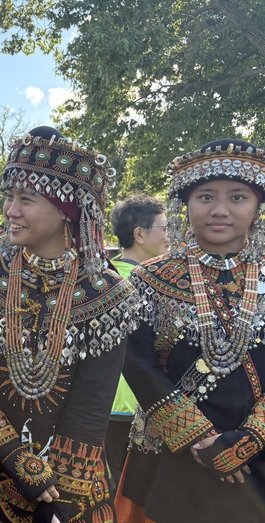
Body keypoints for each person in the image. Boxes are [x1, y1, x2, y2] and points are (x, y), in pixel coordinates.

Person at [0, 126, 139, 523]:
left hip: (77, 477)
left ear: (67, 209)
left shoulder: (107, 292)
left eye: (26, 198)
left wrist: (58, 506)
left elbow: (91, 407)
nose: (10, 210)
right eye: (10, 195)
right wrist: (21, 464)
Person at [117, 139, 265, 523]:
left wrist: (253, 440)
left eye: (237, 196)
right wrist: (197, 438)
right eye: (205, 197)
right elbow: (135, 360)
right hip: (172, 454)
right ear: (186, 206)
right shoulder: (148, 281)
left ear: (260, 206)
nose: (220, 209)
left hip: (256, 455)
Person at [106, 193, 168, 488]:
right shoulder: (125, 281)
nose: (170, 236)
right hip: (129, 406)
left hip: (118, 404)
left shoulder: (101, 277)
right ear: (139, 234)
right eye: (164, 228)